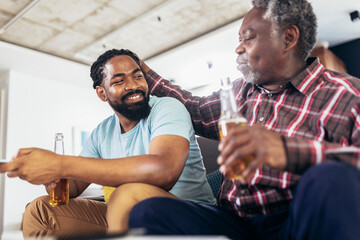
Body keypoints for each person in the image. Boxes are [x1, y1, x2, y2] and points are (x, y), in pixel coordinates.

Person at [127, 0, 360, 239]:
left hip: (297, 221)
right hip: (234, 223)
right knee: (147, 212)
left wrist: (289, 152)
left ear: (288, 38)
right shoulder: (241, 90)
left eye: (247, 39)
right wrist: (140, 70)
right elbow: (193, 109)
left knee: (333, 178)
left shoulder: (347, 94)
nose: (238, 49)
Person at [0, 49, 216, 239]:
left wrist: (61, 163)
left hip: (191, 215)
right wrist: (53, 177)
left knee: (127, 194)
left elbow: (164, 171)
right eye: (119, 81)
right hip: (122, 214)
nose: (133, 86)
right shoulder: (102, 132)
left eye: (138, 76)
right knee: (40, 210)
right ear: (102, 93)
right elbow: (74, 186)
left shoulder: (167, 108)